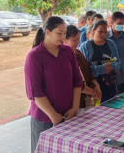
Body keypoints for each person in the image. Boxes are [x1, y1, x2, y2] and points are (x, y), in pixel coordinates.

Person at [24, 16, 83, 153]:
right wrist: (53, 115)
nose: (63, 37)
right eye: (59, 32)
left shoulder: (67, 51)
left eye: (64, 33)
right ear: (48, 32)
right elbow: (35, 92)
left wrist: (74, 108)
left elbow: (77, 81)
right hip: (44, 118)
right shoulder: (35, 56)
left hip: (68, 115)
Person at [80, 20, 121, 103]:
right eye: (100, 31)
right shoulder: (86, 46)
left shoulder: (111, 44)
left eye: (105, 32)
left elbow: (118, 63)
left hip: (110, 87)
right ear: (94, 31)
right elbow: (83, 70)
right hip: (93, 89)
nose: (103, 34)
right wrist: (101, 69)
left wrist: (111, 66)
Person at [65, 25, 101, 114]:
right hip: (74, 102)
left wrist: (96, 85)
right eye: (74, 40)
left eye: (78, 39)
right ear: (65, 40)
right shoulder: (64, 58)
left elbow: (88, 72)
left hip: (86, 100)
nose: (77, 42)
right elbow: (75, 83)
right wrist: (93, 92)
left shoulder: (78, 53)